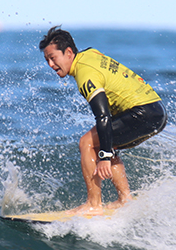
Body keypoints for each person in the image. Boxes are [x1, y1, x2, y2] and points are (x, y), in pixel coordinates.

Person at [39, 26, 167, 213]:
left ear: (68, 53)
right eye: (47, 60)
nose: (50, 64)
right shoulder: (90, 54)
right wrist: (107, 149)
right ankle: (125, 199)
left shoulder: (84, 74)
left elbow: (103, 116)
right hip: (156, 110)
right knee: (105, 141)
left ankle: (93, 204)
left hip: (143, 114)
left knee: (87, 143)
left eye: (53, 58)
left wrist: (105, 156)